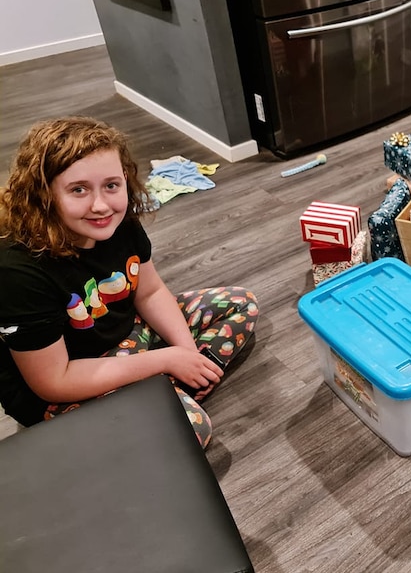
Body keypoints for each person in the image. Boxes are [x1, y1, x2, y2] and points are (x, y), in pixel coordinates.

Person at [0, 116, 258, 447]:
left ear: (125, 179)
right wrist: (165, 360)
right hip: (62, 384)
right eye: (78, 189)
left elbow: (149, 292)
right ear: (44, 194)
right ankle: (159, 391)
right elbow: (53, 381)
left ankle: (155, 391)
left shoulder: (118, 221)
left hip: (127, 336)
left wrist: (187, 352)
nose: (101, 205)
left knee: (242, 302)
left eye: (111, 185)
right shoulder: (17, 270)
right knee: (191, 432)